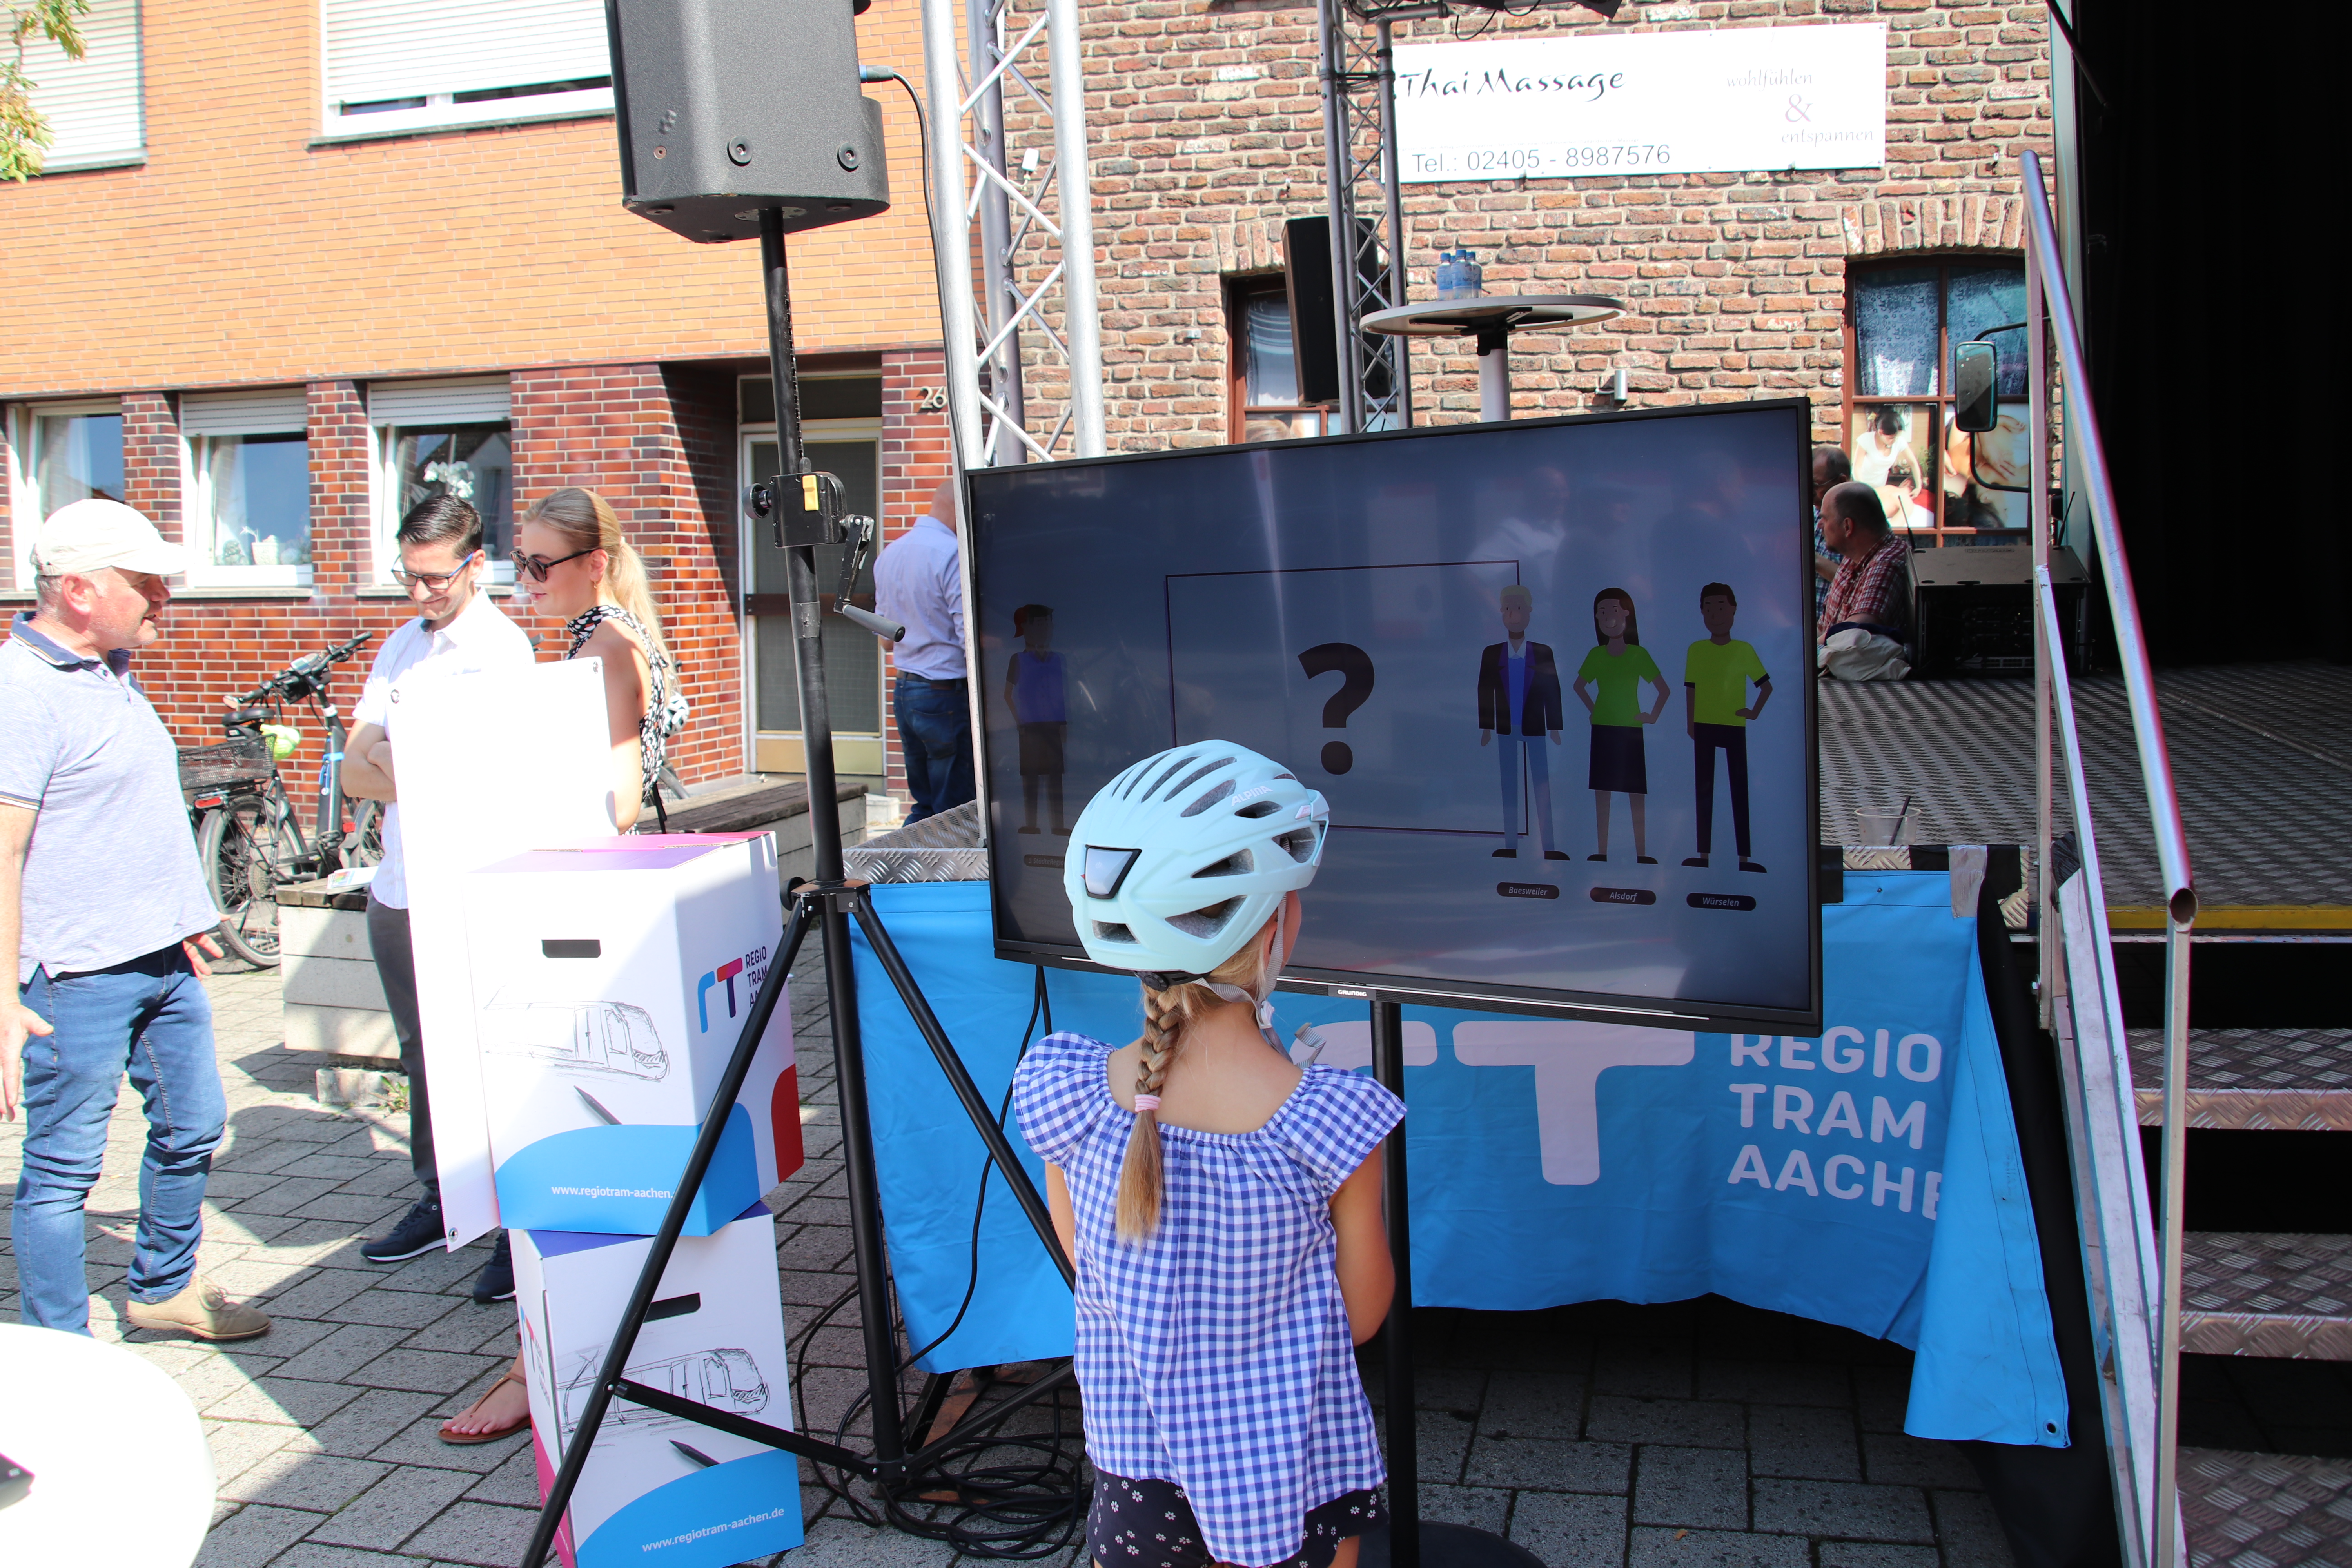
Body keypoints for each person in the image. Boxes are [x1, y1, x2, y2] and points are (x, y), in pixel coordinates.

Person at [1013, 745, 1397, 1568]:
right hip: (1292, 1484)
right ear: (1273, 930)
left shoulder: (1070, 1093)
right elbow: (1361, 1313)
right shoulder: (1327, 1122)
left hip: (1134, 1491)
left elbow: (1090, 1259)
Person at [435, 485, 679, 1445]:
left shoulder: (602, 643)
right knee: (597, 1152)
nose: (522, 579)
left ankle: (548, 1364)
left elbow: (615, 799)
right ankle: (563, 1356)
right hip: (613, 916)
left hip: (593, 916)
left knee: (576, 1152)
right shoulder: (609, 632)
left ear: (588, 559)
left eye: (538, 563)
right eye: (518, 561)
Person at [0, 499, 267, 1341]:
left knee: (194, 1127)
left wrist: (182, 917)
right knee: (61, 1171)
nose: (164, 596)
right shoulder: (22, 691)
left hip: (162, 957)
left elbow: (129, 816)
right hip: (75, 976)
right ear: (78, 589)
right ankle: (57, 1351)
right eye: (146, 581)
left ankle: (162, 1288)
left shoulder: (112, 669)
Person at [342, 496, 535, 1294]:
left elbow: (481, 776)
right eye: (408, 578)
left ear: (474, 564)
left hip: (471, 889)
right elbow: (354, 768)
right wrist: (403, 763)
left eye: (433, 579)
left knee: (492, 1063)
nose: (419, 595)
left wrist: (401, 762)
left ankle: (512, 1224)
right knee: (423, 1055)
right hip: (398, 887)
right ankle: (443, 1196)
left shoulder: (500, 649)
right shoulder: (398, 646)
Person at [874, 479, 973, 822]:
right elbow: (969, 641)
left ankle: (905, 872)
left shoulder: (890, 553)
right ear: (960, 510)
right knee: (955, 810)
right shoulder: (951, 555)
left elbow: (886, 640)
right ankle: (948, 874)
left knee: (925, 804)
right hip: (945, 695)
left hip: (905, 692)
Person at [1573, 588, 1670, 864]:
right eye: (1602, 612)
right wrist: (1594, 711)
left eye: (1614, 610)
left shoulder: (1638, 654)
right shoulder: (1596, 654)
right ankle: (1602, 852)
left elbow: (1664, 690)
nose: (1608, 617)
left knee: (1635, 791)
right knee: (1602, 791)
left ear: (1627, 613)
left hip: (1630, 728)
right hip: (1603, 728)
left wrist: (1651, 716)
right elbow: (1579, 687)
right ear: (1596, 617)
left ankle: (1641, 853)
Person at [1681, 583, 1772, 873]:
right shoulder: (1696, 650)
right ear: (1701, 613)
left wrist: (1753, 713)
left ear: (1733, 609)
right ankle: (1703, 855)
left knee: (1739, 788)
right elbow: (1691, 690)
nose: (1715, 614)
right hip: (1704, 726)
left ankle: (1744, 858)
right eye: (1709, 608)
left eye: (1721, 606)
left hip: (1734, 725)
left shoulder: (1743, 650)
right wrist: (1690, 723)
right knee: (1704, 789)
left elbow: (1766, 687)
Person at [1475, 585, 1566, 860]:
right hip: (1506, 729)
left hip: (1536, 727)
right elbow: (1485, 690)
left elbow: (1553, 690)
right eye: (1507, 609)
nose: (1512, 615)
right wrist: (1486, 727)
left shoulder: (1543, 652)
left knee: (1542, 785)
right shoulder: (1492, 654)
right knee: (1509, 786)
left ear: (1529, 612)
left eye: (1518, 608)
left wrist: (1555, 727)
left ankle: (1548, 846)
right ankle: (1511, 843)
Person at [1818, 481, 1914, 681]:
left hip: (1860, 691)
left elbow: (1860, 626)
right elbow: (1827, 626)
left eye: (1824, 519)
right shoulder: (1856, 555)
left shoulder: (1887, 562)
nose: (1820, 525)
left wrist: (1801, 653)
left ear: (1847, 526)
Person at [1002, 604, 1069, 835]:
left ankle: (1058, 825)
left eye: (1047, 624)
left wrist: (1063, 725)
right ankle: (1032, 824)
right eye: (1038, 624)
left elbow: (1062, 694)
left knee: (1055, 778)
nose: (1044, 629)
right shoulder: (1018, 660)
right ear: (1025, 629)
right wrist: (1019, 722)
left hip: (1053, 726)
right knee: (1030, 778)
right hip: (1029, 728)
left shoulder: (1057, 660)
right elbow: (1008, 695)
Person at [1811, 445, 1849, 624]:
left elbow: (1857, 585)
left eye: (1816, 486)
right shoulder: (1809, 514)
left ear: (1842, 481)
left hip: (1835, 637)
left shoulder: (1861, 522)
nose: (1810, 495)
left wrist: (1813, 561)